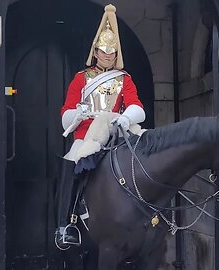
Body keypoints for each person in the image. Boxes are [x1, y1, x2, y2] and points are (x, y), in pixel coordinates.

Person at [55, 4, 145, 249]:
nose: (108, 54)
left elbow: (138, 106)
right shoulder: (80, 78)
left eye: (112, 51)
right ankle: (67, 224)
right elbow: (65, 115)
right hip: (86, 134)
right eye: (104, 50)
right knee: (72, 164)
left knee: (147, 157)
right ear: (95, 51)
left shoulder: (124, 79)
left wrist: (126, 118)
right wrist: (78, 113)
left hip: (115, 131)